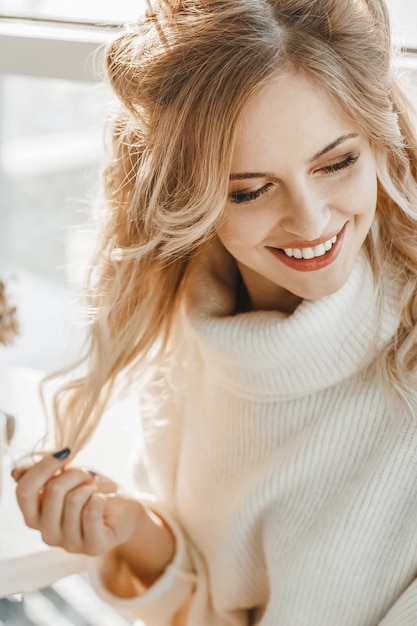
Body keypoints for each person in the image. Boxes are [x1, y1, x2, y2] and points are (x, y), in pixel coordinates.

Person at [11, 0, 417, 624]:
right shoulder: (192, 336)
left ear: (379, 141)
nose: (311, 220)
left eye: (337, 162)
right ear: (187, 198)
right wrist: (130, 530)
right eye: (250, 190)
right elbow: (223, 601)